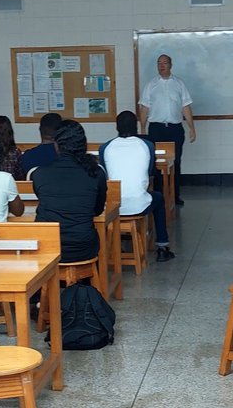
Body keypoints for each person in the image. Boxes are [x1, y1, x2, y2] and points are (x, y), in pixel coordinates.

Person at [100, 111, 173, 262]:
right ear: (136, 127)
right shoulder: (147, 145)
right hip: (140, 204)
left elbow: (106, 174)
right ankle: (162, 246)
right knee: (158, 198)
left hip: (113, 207)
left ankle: (116, 244)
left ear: (116, 127)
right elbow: (150, 170)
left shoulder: (105, 147)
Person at [32, 120, 107, 263]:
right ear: (83, 145)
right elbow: (97, 210)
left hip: (48, 248)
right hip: (83, 247)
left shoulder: (39, 173)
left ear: (56, 145)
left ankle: (53, 283)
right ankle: (85, 283)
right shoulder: (96, 172)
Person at [138, 54, 195, 206]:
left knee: (175, 163)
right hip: (156, 129)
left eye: (165, 63)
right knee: (156, 164)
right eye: (159, 63)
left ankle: (175, 196)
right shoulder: (151, 85)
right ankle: (158, 197)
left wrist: (192, 128)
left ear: (171, 65)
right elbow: (144, 108)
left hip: (175, 129)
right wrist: (143, 129)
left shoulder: (179, 84)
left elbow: (186, 107)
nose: (161, 66)